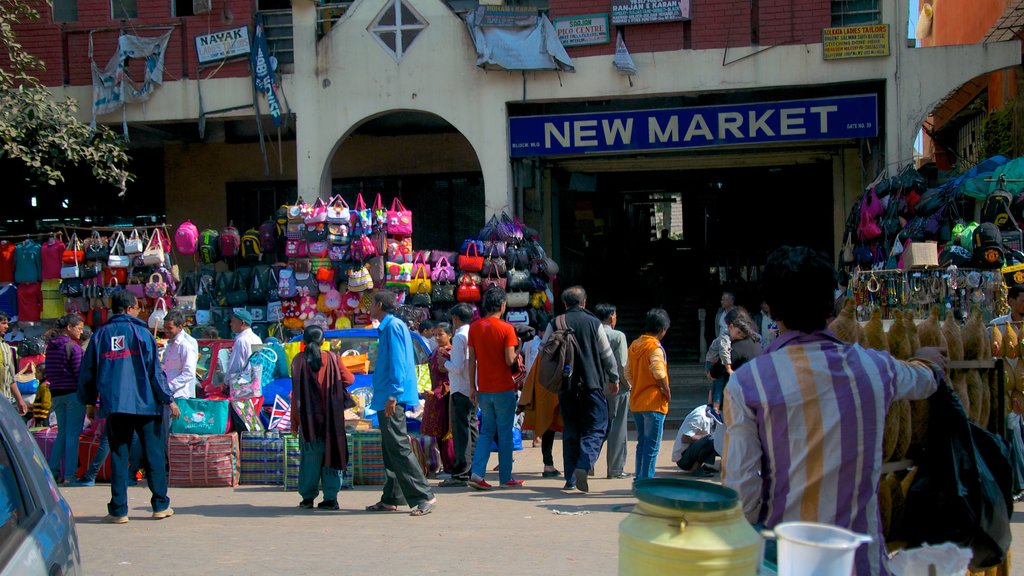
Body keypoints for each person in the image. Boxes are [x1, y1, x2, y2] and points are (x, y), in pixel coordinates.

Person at [722, 246, 944, 576]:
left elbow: (741, 494)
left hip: (785, 564)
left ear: (769, 308)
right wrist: (929, 359)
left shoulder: (747, 383)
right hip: (862, 565)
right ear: (832, 304)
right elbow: (925, 379)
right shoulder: (874, 369)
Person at [78, 291, 181, 524]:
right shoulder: (143, 334)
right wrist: (167, 398)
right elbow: (155, 372)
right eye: (136, 307)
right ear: (129, 308)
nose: (138, 310)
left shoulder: (100, 335)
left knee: (118, 454)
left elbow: (88, 371)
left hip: (115, 405)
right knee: (153, 454)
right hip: (147, 404)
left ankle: (119, 510)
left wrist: (89, 401)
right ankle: (160, 505)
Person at [364, 290, 437, 516]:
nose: (368, 308)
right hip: (386, 395)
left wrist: (394, 394)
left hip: (391, 396)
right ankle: (391, 497)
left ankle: (424, 495)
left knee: (399, 446)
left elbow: (398, 362)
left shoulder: (393, 326)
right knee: (390, 448)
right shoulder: (388, 327)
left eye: (371, 304)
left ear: (379, 304)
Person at [544, 286, 620, 493]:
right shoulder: (594, 323)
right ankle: (584, 465)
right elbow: (607, 355)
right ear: (584, 302)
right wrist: (614, 378)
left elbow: (544, 352)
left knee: (571, 431)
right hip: (591, 384)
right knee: (597, 427)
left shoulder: (555, 323)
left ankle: (569, 479)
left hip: (565, 387)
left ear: (565, 304)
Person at [291, 325, 355, 511]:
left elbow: (296, 394)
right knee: (331, 455)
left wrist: (294, 423)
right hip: (331, 420)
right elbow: (349, 380)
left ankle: (307, 498)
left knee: (309, 459)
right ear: (323, 341)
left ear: (303, 342)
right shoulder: (333, 358)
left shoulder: (297, 361)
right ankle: (330, 498)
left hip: (308, 420)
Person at [467, 287, 524, 490]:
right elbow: (510, 360)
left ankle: (477, 472)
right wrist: (519, 349)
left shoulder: (474, 327)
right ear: (502, 305)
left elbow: (471, 360)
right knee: (505, 433)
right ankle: (505, 476)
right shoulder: (507, 328)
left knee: (486, 431)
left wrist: (472, 387)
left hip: (483, 389)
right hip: (504, 389)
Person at [627, 308, 671, 481]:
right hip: (653, 402)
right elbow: (659, 373)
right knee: (652, 447)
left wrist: (638, 384)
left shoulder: (635, 345)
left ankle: (639, 479)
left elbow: (627, 373)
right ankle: (646, 482)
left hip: (637, 401)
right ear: (662, 330)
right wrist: (666, 391)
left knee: (642, 444)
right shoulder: (655, 348)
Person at [518, 324, 562, 478]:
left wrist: (527, 398)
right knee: (566, 431)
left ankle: (548, 465)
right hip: (562, 396)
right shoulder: (567, 350)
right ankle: (570, 467)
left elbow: (532, 379)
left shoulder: (542, 353)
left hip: (545, 397)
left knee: (548, 429)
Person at [46, 314, 86, 483]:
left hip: (57, 395)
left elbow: (49, 372)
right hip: (73, 395)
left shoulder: (51, 347)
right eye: (79, 328)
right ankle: (69, 475)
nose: (81, 332)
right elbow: (79, 374)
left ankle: (52, 473)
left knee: (62, 434)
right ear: (69, 328)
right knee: (72, 435)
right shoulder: (74, 348)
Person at [440, 303, 477, 487]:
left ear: (455, 319)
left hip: (461, 388)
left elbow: (457, 367)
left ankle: (461, 473)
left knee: (462, 432)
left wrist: (444, 363)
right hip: (472, 387)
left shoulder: (460, 336)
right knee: (471, 428)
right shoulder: (472, 332)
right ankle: (473, 468)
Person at [594, 302, 631, 479]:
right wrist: (628, 385)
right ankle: (615, 468)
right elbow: (623, 364)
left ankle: (588, 464)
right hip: (616, 388)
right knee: (617, 427)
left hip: (594, 386)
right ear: (611, 317)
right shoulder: (618, 336)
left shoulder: (591, 333)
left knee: (594, 427)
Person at [422, 322, 455, 475]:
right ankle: (446, 466)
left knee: (447, 433)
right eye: (435, 334)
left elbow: (451, 378)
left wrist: (436, 392)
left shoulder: (450, 352)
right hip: (435, 397)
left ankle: (451, 466)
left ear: (450, 335)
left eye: (440, 334)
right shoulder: (435, 351)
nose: (437, 337)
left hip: (446, 398)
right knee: (438, 434)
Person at [671, 404, 721, 476]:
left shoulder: (712, 412)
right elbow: (685, 438)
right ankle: (695, 469)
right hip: (683, 460)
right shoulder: (699, 415)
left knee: (718, 438)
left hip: (692, 452)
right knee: (712, 439)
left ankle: (708, 466)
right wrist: (706, 436)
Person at [162, 310, 199, 401]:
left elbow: (189, 373)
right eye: (164, 327)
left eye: (169, 328)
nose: (166, 331)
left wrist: (170, 387)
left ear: (179, 327)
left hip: (180, 396)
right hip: (169, 395)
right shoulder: (169, 345)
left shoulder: (186, 345)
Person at [225, 309, 263, 388]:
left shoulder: (241, 340)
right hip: (256, 383)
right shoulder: (257, 338)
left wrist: (227, 382)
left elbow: (236, 365)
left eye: (233, 322)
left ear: (242, 323)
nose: (231, 324)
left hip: (242, 385)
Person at [0, 313, 26, 417]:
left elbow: (10, 378)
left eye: (7, 323)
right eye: (3, 323)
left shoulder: (6, 347)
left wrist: (20, 400)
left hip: (6, 399)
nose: (7, 326)